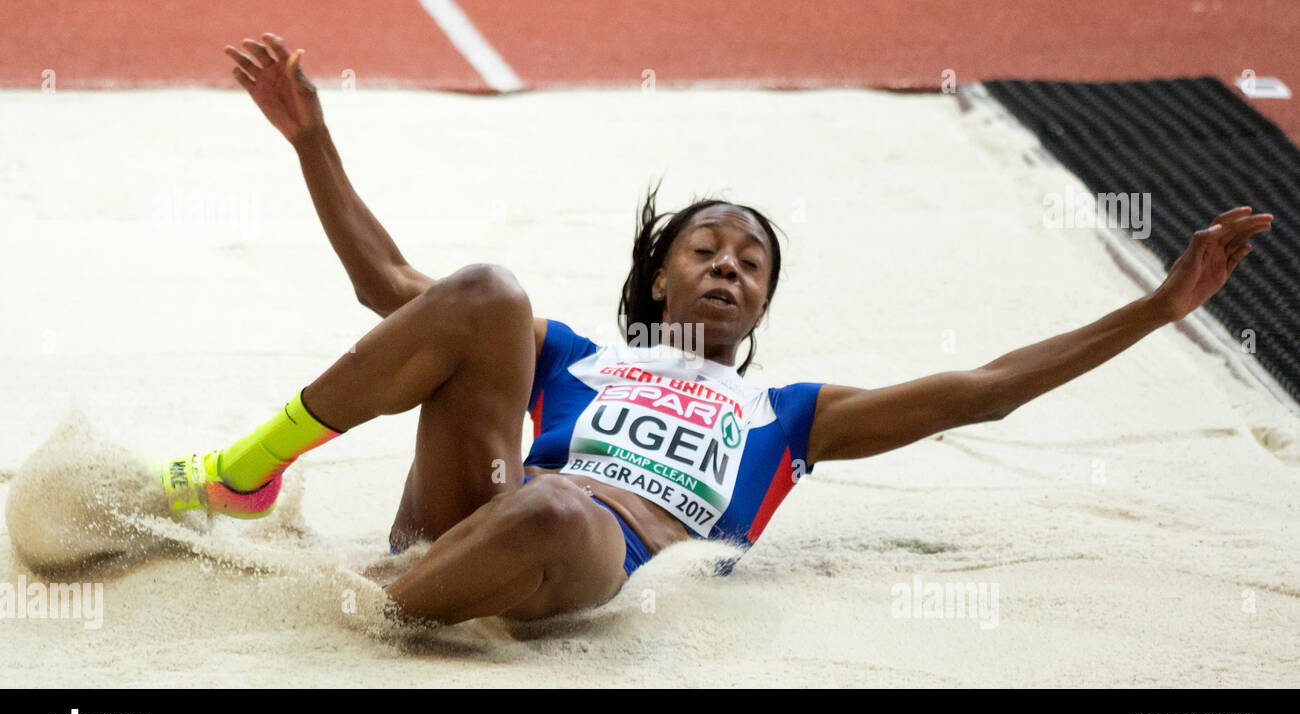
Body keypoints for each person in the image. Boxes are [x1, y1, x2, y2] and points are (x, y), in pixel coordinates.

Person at [162, 33, 1273, 626]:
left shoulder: (793, 415)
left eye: (753, 260)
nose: (732, 264)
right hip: (477, 499)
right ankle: (248, 473)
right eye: (707, 248)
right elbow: (389, 290)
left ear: (763, 304)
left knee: (556, 505)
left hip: (593, 553)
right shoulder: (576, 356)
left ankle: (364, 612)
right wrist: (312, 141)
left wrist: (1158, 305)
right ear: (654, 281)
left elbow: (988, 388)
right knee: (489, 288)